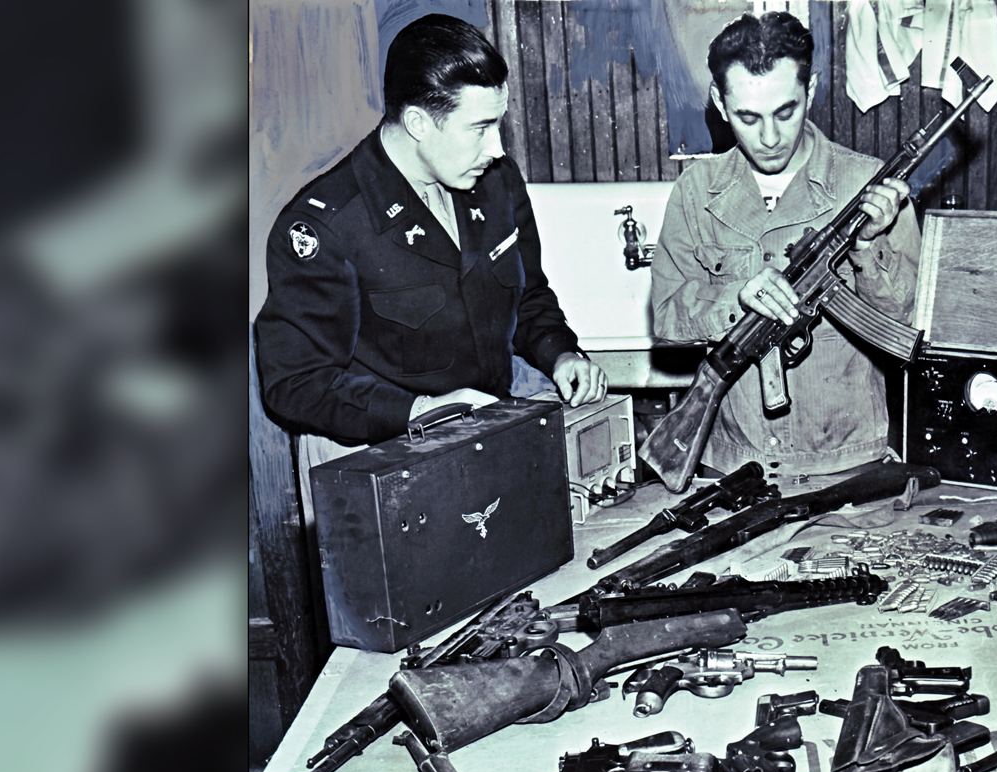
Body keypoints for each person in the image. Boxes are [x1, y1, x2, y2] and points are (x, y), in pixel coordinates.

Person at [256, 14, 606, 445]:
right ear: (419, 123)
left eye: (497, 123)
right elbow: (296, 384)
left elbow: (528, 296)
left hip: (488, 428)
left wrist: (561, 353)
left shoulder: (496, 181)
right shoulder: (327, 225)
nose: (497, 148)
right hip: (383, 448)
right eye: (480, 128)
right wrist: (422, 411)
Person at [652, 12, 920, 478]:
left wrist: (868, 248)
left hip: (847, 465)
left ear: (810, 91)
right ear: (719, 101)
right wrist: (736, 297)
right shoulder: (696, 191)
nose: (770, 138)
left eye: (786, 111)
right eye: (748, 118)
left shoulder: (869, 186)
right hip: (733, 465)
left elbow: (908, 325)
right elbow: (667, 317)